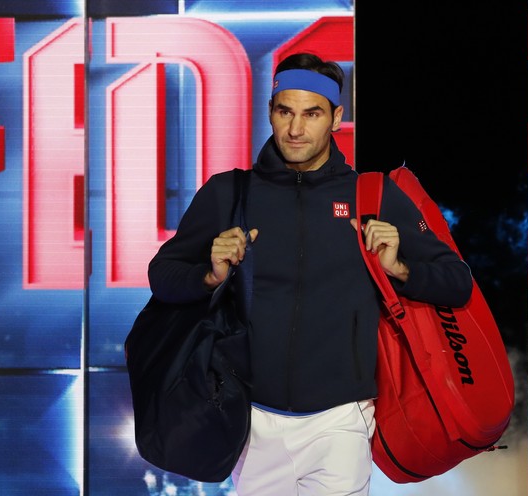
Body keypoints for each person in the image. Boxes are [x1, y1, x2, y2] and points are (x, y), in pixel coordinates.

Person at [147, 52, 473, 495]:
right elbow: (163, 274)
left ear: (337, 117)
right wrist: (209, 274)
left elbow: (457, 281)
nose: (296, 129)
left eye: (312, 114)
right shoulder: (229, 192)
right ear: (271, 112)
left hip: (342, 418)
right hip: (254, 420)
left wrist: (400, 269)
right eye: (285, 112)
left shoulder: (371, 195)